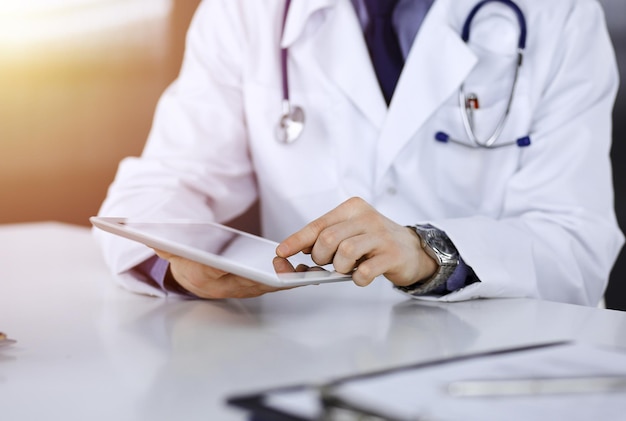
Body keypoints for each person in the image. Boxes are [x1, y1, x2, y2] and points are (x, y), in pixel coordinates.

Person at [94, 0, 624, 306]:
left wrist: (429, 252)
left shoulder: (558, 13)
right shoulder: (249, 10)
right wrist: (178, 263)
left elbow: (577, 246)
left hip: (498, 362)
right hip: (305, 351)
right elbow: (162, 182)